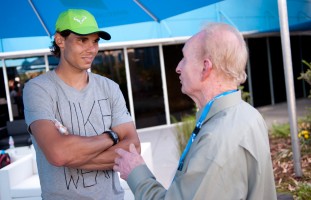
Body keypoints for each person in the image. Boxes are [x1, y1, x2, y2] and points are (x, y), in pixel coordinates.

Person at [113, 23, 277, 200]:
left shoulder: (216, 138)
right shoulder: (248, 114)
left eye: (184, 58)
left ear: (205, 67)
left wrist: (136, 173)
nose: (178, 67)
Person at [23, 9, 140, 200]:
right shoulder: (38, 89)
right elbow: (58, 154)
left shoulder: (109, 87)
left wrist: (72, 155)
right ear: (60, 40)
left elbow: (133, 147)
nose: (92, 49)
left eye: (95, 41)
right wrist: (112, 136)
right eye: (82, 40)